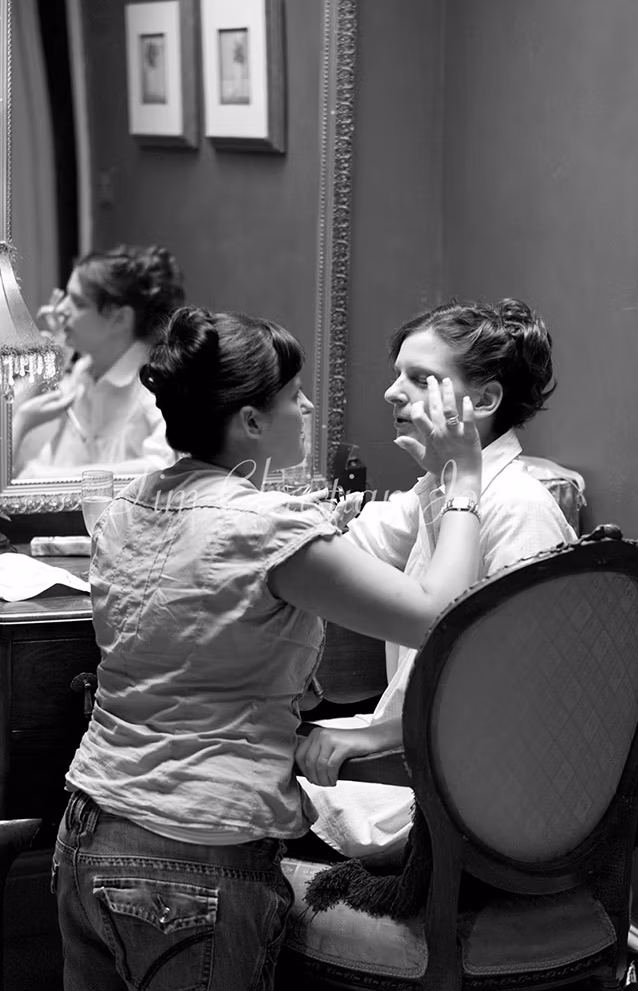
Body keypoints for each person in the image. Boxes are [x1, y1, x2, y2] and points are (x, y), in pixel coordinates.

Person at [53, 305, 484, 991]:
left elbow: (208, 630)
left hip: (89, 833)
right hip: (196, 850)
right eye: (294, 395)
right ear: (251, 422)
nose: (308, 405)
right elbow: (440, 616)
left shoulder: (132, 503)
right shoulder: (266, 528)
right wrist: (463, 483)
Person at [297, 296, 578, 863]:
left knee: (247, 795)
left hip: (482, 795)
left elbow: (520, 692)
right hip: (431, 748)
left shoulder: (518, 506)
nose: (392, 392)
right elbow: (355, 549)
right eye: (397, 374)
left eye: (421, 378)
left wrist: (379, 736)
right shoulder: (442, 490)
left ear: (485, 400)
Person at [13, 243, 185, 477]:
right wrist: (51, 361)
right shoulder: (82, 372)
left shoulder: (153, 382)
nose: (60, 309)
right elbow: (15, 445)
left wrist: (46, 477)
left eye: (78, 302)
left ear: (120, 318)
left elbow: (163, 467)